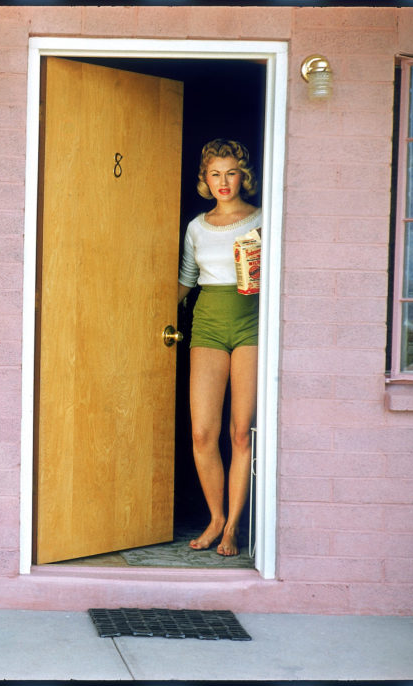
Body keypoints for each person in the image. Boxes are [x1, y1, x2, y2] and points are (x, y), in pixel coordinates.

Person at [177, 139, 261, 557]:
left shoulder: (263, 218)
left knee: (240, 432)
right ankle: (214, 518)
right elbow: (185, 281)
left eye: (231, 172)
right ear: (205, 179)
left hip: (251, 321)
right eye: (215, 174)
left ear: (242, 175)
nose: (223, 182)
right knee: (202, 432)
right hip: (207, 321)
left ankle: (232, 527)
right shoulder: (196, 226)